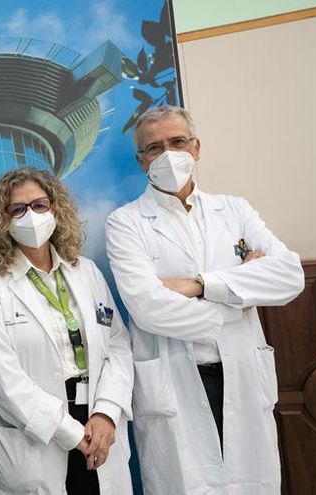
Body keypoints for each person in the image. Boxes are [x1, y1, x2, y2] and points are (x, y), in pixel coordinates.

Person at [105, 106, 305, 494]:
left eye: (177, 142)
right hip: (175, 380)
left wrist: (199, 285)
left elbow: (289, 276)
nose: (167, 154)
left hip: (242, 371)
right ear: (141, 160)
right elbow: (149, 309)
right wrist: (240, 297)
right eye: (154, 147)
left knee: (252, 483)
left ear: (196, 148)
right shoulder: (125, 223)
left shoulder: (234, 210)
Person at [0, 167, 134, 495]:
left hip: (97, 423)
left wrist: (107, 413)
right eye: (17, 209)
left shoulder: (85, 271)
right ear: (2, 221)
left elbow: (117, 345)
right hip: (40, 433)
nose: (31, 215)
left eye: (40, 205)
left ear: (55, 208)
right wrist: (71, 433)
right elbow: (0, 378)